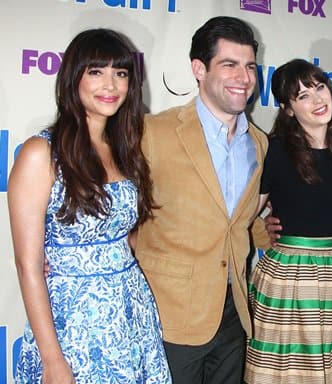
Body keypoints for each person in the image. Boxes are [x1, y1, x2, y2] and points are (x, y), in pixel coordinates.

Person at [8, 28, 171, 383]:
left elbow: (124, 234)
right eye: (96, 71)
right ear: (73, 78)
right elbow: (27, 264)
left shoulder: (125, 148)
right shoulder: (42, 154)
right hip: (73, 325)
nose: (110, 85)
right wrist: (52, 359)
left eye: (121, 73)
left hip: (131, 313)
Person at [133, 16, 269, 384]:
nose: (244, 78)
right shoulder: (153, 133)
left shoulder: (259, 142)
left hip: (233, 313)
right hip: (169, 316)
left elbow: (232, 215)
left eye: (250, 66)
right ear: (198, 68)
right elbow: (120, 214)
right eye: (229, 65)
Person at [244, 59, 332, 384]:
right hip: (289, 277)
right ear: (287, 109)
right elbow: (242, 216)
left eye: (319, 88)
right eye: (302, 96)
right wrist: (261, 229)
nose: (317, 100)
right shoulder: (275, 150)